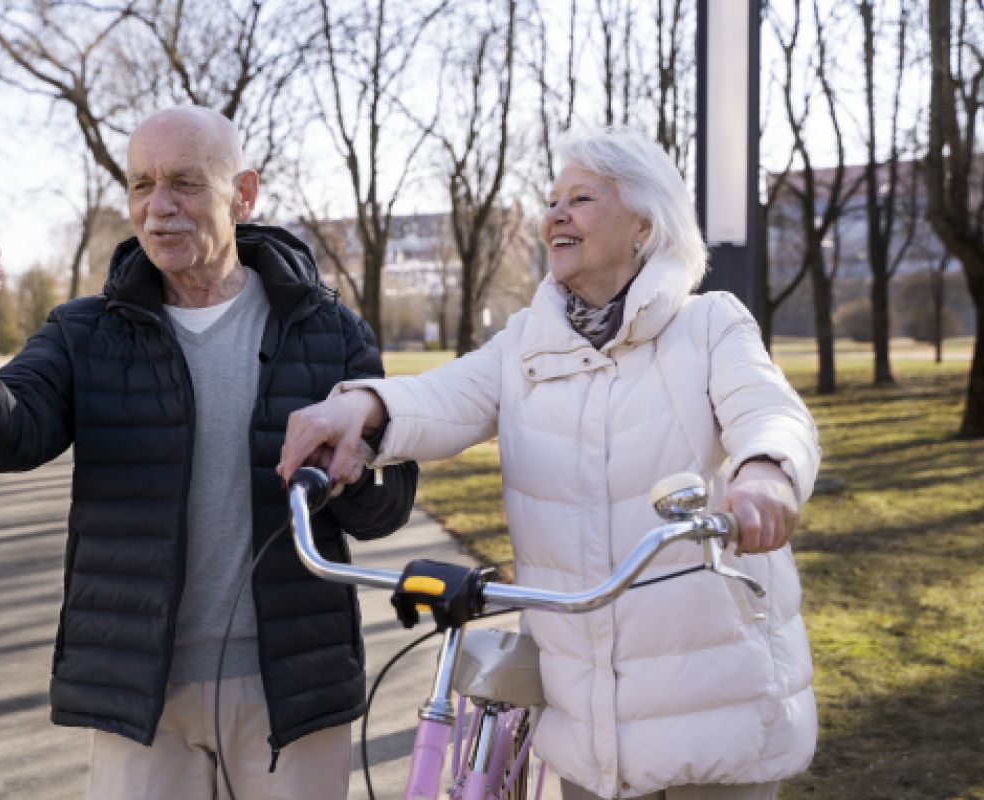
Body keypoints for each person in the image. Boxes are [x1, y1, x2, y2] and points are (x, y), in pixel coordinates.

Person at [278, 127, 821, 800]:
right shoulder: (527, 344)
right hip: (584, 721)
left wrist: (766, 473)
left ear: (645, 227)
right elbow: (445, 396)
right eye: (553, 200)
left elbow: (770, 412)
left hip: (712, 715)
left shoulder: (709, 327)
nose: (554, 215)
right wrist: (358, 408)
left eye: (582, 199)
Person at [0, 105, 418, 800]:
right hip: (139, 695)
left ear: (244, 194)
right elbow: (1, 438)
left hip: (293, 691)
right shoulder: (85, 333)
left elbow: (385, 508)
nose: (158, 207)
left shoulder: (326, 330)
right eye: (141, 185)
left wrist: (353, 479)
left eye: (184, 183)